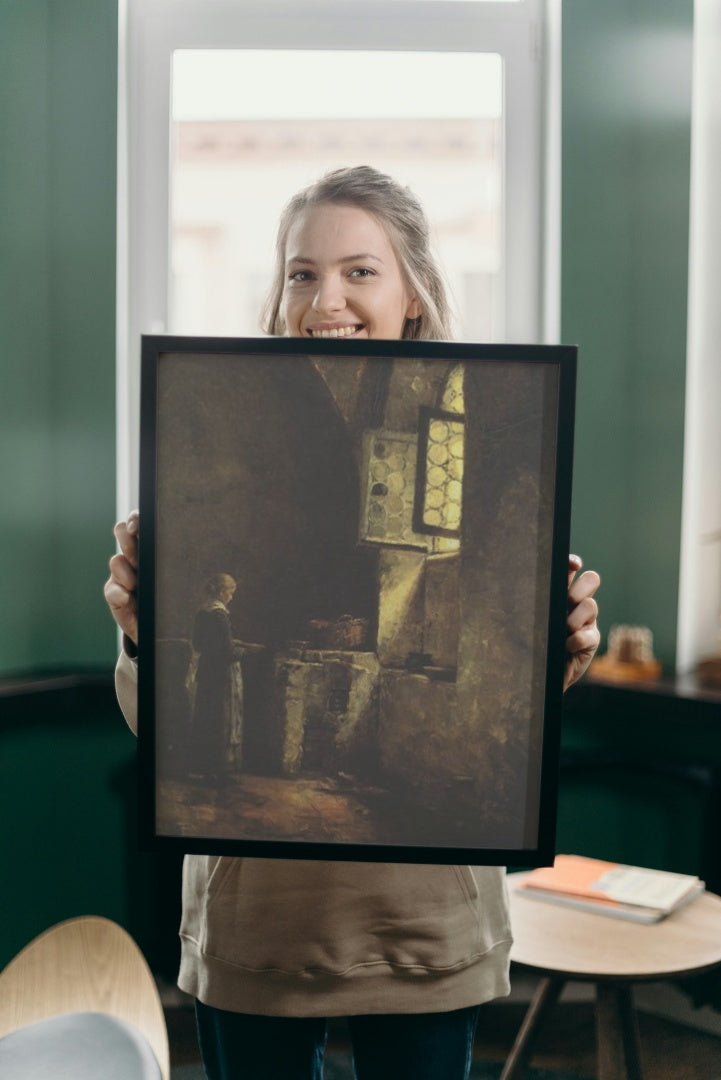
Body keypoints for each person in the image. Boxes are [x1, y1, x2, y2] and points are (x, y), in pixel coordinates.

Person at [105, 166, 601, 1080]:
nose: (324, 298)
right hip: (258, 923)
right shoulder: (213, 422)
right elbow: (162, 731)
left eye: (359, 271)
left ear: (413, 291)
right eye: (301, 272)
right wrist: (141, 632)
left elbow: (512, 714)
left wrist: (557, 651)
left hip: (423, 922)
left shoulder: (491, 425)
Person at [188, 574, 244, 780]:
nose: (231, 597)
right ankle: (217, 770)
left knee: (205, 716)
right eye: (230, 592)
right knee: (221, 718)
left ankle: (201, 767)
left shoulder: (203, 612)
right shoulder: (220, 615)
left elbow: (198, 644)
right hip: (221, 674)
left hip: (206, 672)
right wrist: (246, 651)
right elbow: (228, 652)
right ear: (221, 592)